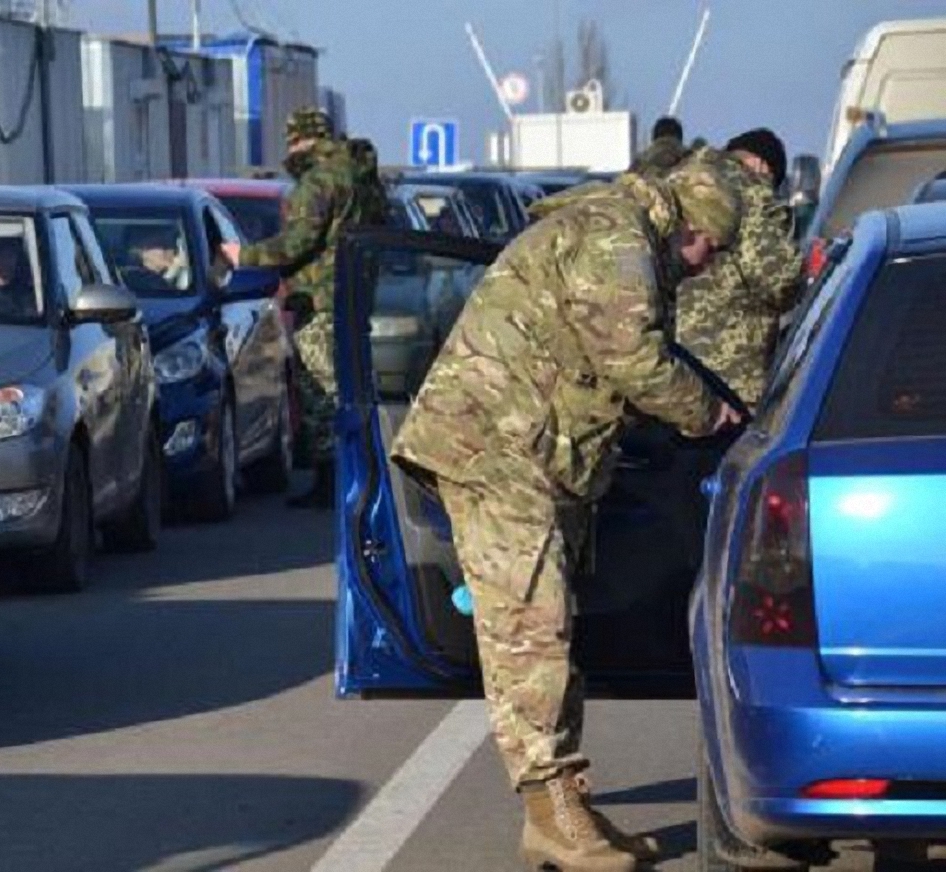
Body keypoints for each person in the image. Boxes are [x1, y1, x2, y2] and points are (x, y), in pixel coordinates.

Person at [390, 163, 744, 872]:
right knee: (531, 630)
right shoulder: (619, 239)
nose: (708, 269)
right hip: (494, 449)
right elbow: (635, 361)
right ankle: (551, 815)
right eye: (712, 250)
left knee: (552, 628)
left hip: (529, 453)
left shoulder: (622, 232)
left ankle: (566, 810)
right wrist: (712, 416)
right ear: (693, 228)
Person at [223, 107, 387, 509]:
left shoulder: (318, 181)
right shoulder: (361, 176)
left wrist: (242, 255)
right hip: (354, 294)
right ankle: (352, 475)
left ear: (300, 140)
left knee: (320, 391)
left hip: (320, 299)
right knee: (349, 388)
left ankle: (332, 483)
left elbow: (297, 243)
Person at [674, 128, 803, 410]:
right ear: (761, 165)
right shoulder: (754, 193)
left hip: (670, 370)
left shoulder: (680, 179)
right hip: (729, 377)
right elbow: (780, 280)